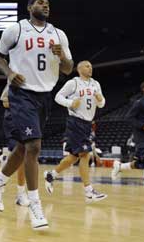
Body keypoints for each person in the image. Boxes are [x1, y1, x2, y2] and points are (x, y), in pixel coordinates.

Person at [0, 0, 73, 230]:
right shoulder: (17, 29)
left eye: (48, 4)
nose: (45, 5)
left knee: (23, 147)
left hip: (45, 96)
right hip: (21, 93)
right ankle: (35, 206)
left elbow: (68, 69)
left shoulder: (58, 34)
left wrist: (61, 55)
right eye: (40, 3)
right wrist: (10, 74)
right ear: (30, 7)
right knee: (34, 146)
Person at [44, 61, 107, 203]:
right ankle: (88, 191)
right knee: (85, 154)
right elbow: (58, 97)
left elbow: (102, 104)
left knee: (74, 157)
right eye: (87, 66)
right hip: (76, 121)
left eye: (91, 66)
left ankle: (51, 174)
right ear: (79, 69)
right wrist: (70, 103)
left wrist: (100, 99)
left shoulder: (96, 84)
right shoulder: (74, 83)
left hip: (87, 123)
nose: (90, 68)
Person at [0, 84, 29, 206]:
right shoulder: (14, 81)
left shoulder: (38, 82)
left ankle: (6, 162)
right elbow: (5, 102)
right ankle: (21, 194)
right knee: (22, 155)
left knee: (27, 156)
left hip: (28, 120)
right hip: (14, 119)